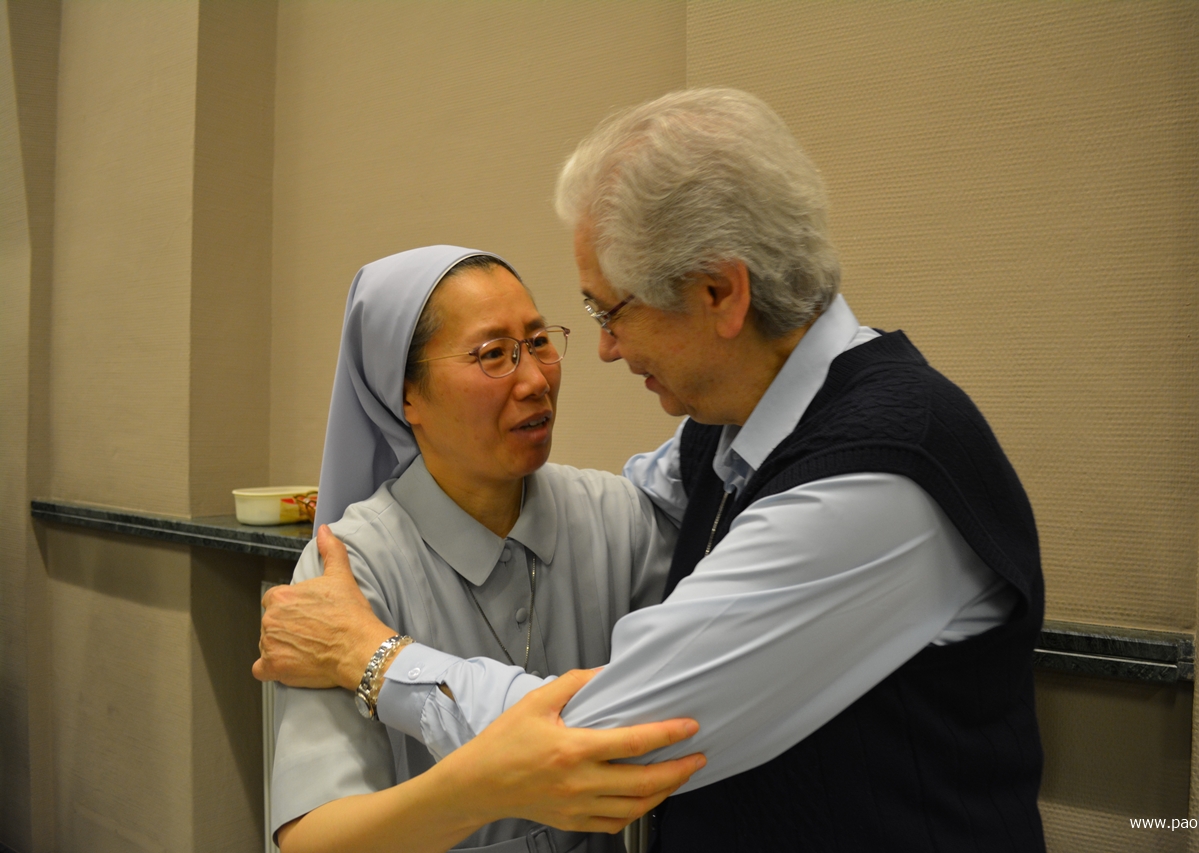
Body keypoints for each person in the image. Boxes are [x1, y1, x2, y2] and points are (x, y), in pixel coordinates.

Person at [258, 89, 1047, 852]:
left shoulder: (870, 481)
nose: (599, 351)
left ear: (720, 293)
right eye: (493, 354)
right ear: (401, 393)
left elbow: (602, 740)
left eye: (607, 314)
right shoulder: (732, 438)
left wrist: (372, 657)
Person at [265, 245, 704, 853]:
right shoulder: (350, 570)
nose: (535, 381)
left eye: (539, 342)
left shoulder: (618, 517)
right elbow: (314, 838)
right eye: (493, 354)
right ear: (406, 395)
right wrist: (488, 787)